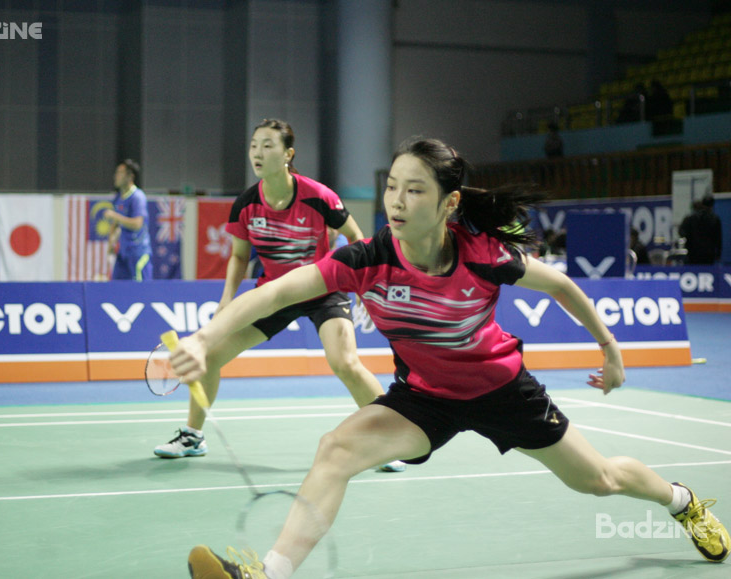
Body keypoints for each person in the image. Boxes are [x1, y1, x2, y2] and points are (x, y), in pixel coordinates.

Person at [175, 138, 729, 578]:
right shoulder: (366, 259)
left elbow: (561, 286)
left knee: (599, 479)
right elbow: (275, 292)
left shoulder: (483, 254)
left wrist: (609, 349)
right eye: (392, 187)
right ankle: (269, 574)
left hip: (503, 391)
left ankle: (681, 502)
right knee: (335, 448)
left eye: (414, 190)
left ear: (449, 203)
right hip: (425, 399)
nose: (396, 200)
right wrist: (203, 339)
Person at [153, 119, 405, 473]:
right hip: (274, 294)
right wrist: (227, 298)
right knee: (209, 356)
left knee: (345, 362)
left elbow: (355, 236)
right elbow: (239, 256)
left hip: (322, 288)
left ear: (288, 154)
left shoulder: (318, 195)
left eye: (268, 145)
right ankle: (193, 436)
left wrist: (362, 283)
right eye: (254, 145)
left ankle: (389, 439)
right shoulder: (246, 204)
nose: (258, 152)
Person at [104, 159, 153, 280]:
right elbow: (115, 224)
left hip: (138, 252)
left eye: (120, 173)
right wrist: (111, 244)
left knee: (141, 289)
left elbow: (137, 223)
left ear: (130, 176)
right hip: (123, 253)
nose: (116, 176)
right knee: (116, 287)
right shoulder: (118, 198)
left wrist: (115, 216)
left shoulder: (138, 197)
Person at [679, 194, 723, 265]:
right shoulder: (714, 219)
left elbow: (681, 232)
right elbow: (718, 238)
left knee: (694, 269)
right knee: (707, 270)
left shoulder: (690, 218)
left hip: (693, 252)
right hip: (709, 253)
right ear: (712, 206)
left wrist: (688, 238)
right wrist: (718, 253)